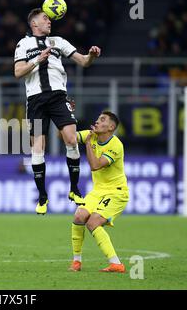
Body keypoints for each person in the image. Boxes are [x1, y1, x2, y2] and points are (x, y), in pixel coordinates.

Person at [14, 8, 101, 214]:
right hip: (35, 99)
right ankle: (43, 196)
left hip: (58, 97)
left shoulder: (58, 42)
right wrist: (37, 60)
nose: (49, 21)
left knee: (71, 140)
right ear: (34, 23)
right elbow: (18, 72)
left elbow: (83, 61)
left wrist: (91, 55)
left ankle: (74, 189)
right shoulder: (23, 44)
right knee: (38, 147)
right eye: (45, 18)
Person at [69, 111, 129, 273]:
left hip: (116, 192)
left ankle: (116, 264)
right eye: (97, 118)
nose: (96, 121)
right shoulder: (91, 134)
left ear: (111, 127)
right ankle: (76, 262)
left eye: (102, 119)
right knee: (79, 216)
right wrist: (65, 116)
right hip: (98, 191)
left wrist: (88, 144)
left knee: (92, 222)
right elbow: (68, 137)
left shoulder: (116, 145)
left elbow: (95, 165)